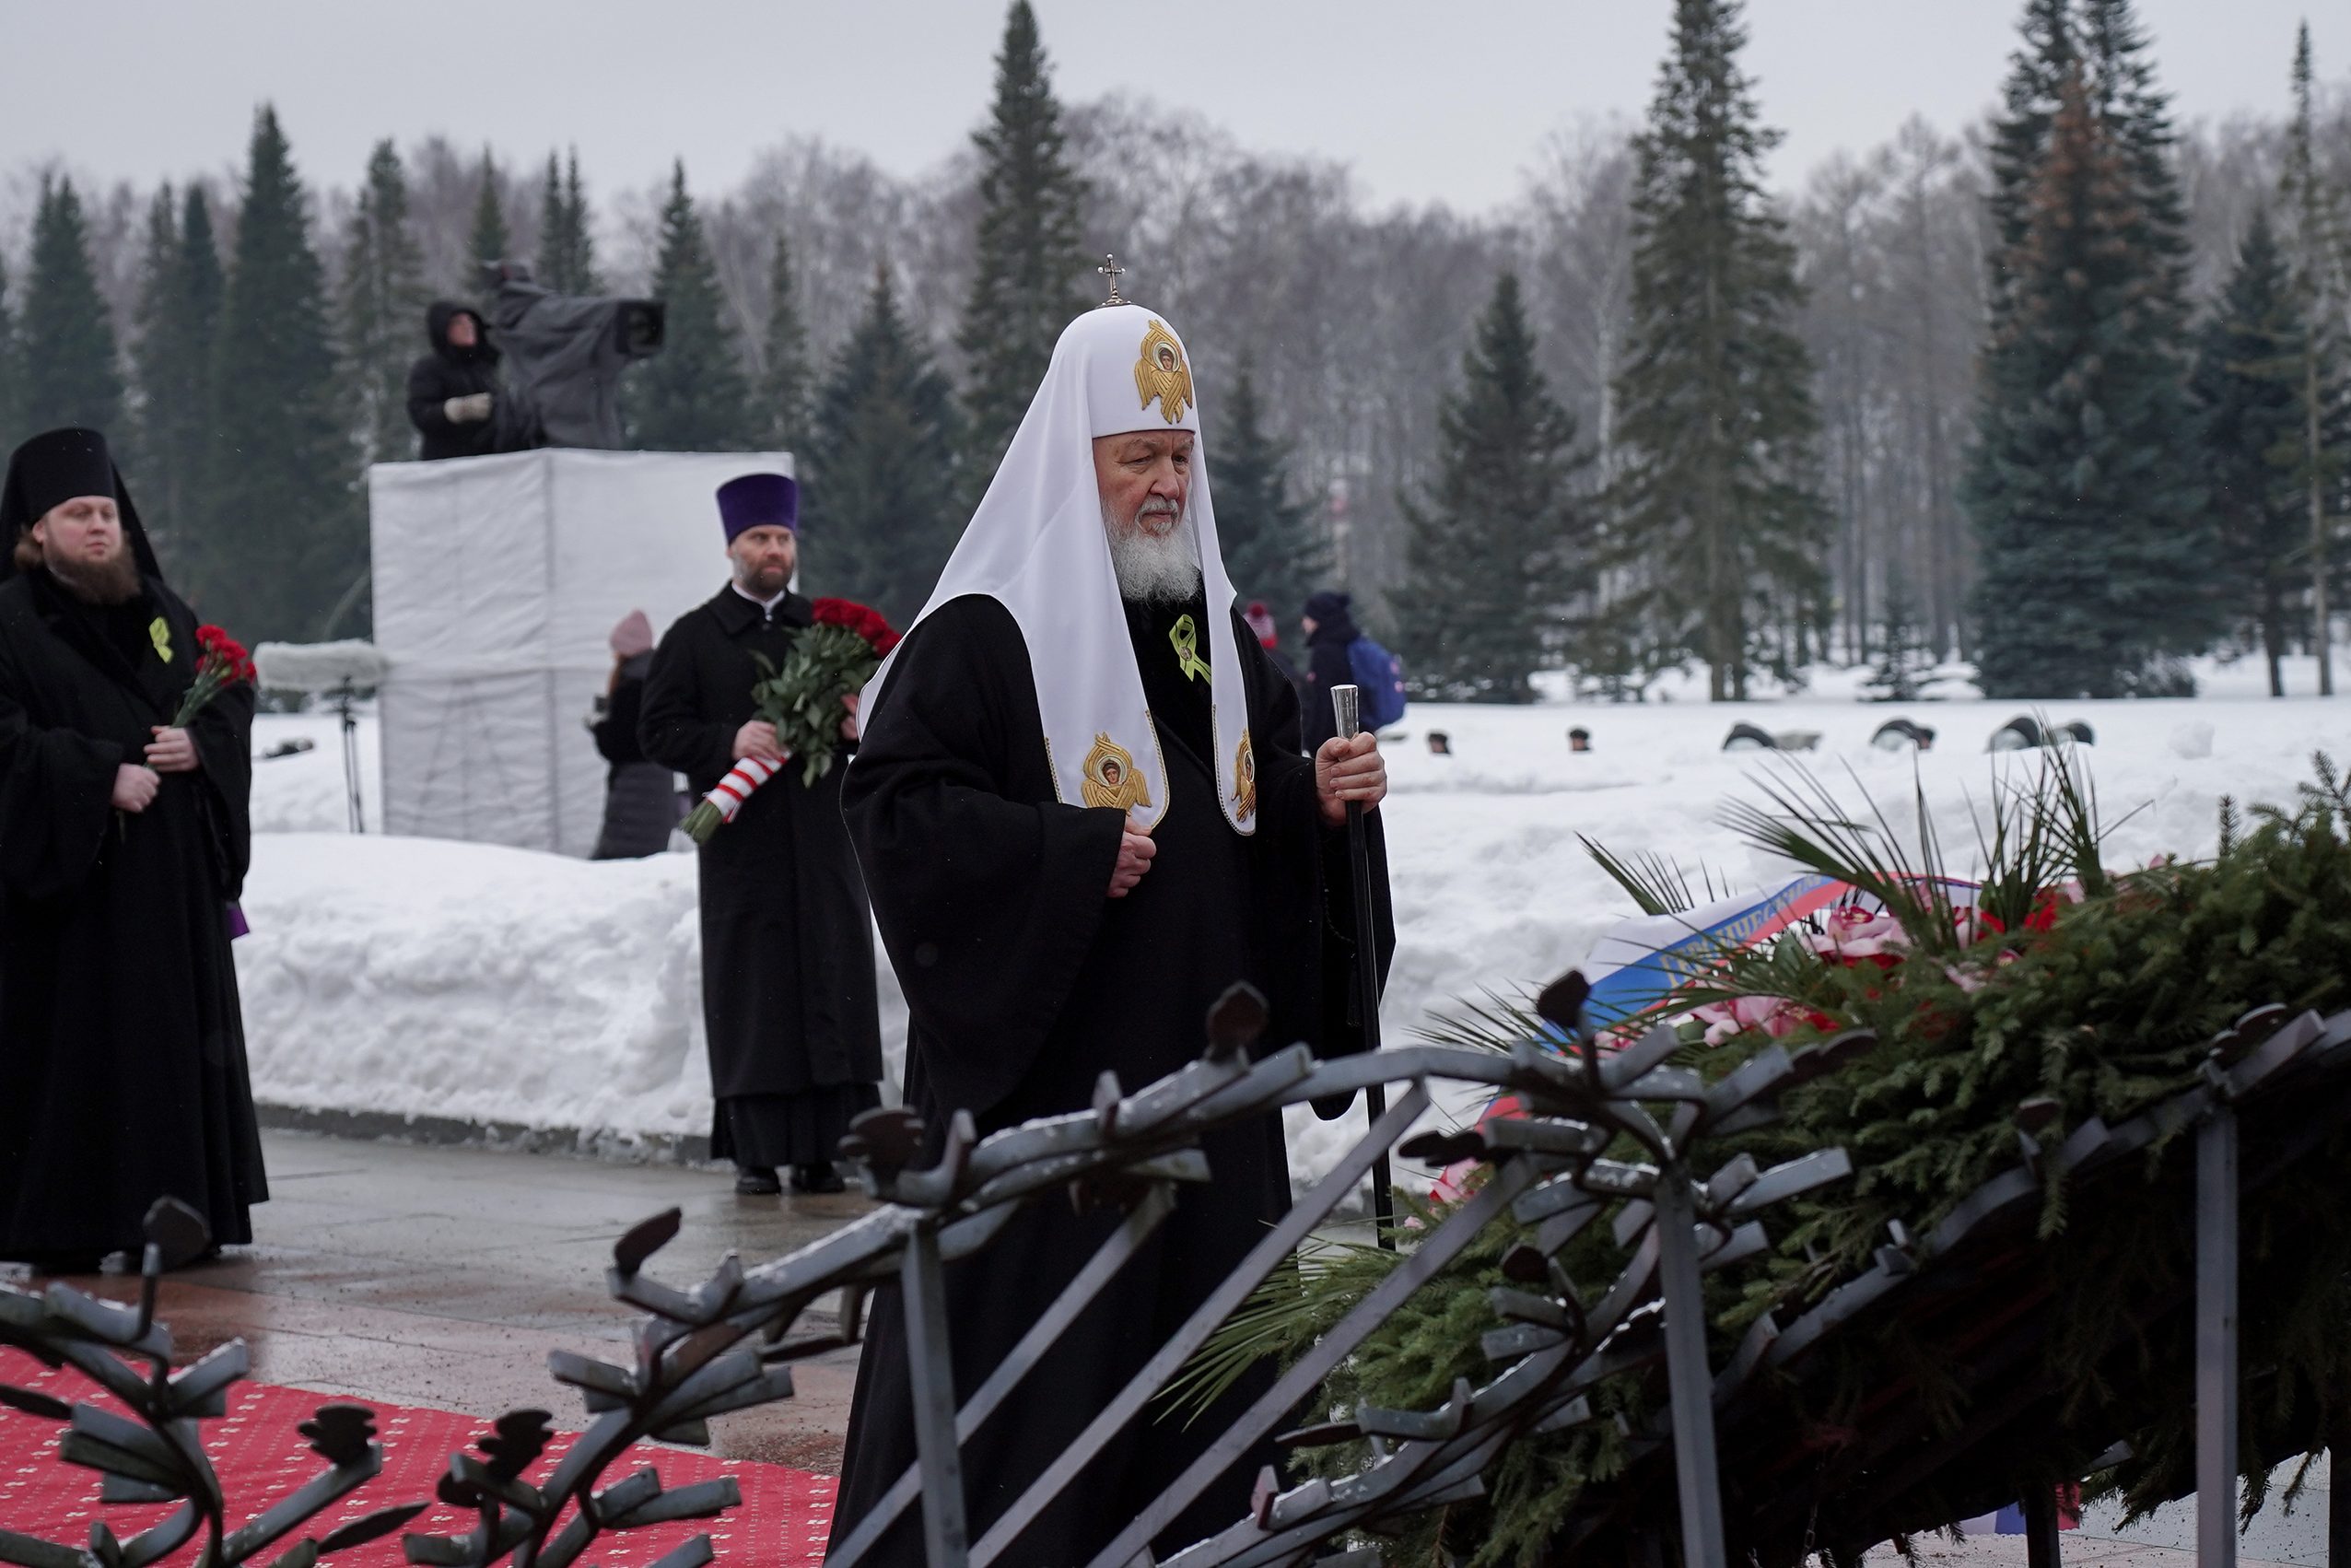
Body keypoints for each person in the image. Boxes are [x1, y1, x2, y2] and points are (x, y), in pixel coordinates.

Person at [831, 302, 1394, 1562]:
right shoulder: (983, 629)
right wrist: (1068, 851)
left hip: (1207, 1087)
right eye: (1137, 455)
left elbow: (1232, 814)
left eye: (1181, 458)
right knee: (1040, 1403)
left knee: (1211, 1397)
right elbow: (898, 812)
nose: (1165, 485)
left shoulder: (1223, 641)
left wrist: (1317, 799)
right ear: (1072, 454)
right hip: (1055, 1103)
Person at [0, 427, 266, 1270]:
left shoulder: (160, 610)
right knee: (82, 1051)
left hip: (168, 892)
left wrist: (204, 749)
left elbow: (225, 700)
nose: (97, 527)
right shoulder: (9, 620)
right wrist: (94, 774)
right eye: (77, 513)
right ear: (37, 530)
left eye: (107, 511)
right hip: (71, 898)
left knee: (169, 1048)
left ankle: (183, 1213)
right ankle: (74, 1223)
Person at [637, 474, 883, 1196]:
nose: (773, 550)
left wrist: (852, 727)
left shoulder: (826, 630)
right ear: (731, 548)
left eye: (782, 538)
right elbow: (655, 730)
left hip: (822, 839)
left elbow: (875, 720)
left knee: (832, 977)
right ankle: (755, 1152)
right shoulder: (693, 636)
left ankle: (827, 1149)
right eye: (758, 539)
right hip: (743, 850)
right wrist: (727, 739)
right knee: (755, 990)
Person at [588, 609, 678, 860]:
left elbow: (619, 745)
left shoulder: (633, 686)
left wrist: (598, 726)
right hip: (657, 786)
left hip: (635, 791)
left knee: (620, 864)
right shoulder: (659, 678)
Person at [406, 301, 502, 461]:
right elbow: (420, 413)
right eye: (458, 323)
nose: (468, 327)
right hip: (448, 464)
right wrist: (458, 410)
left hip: (489, 460)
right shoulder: (429, 369)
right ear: (442, 330)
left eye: (470, 321)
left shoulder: (485, 367)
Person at [1298, 587, 1364, 755]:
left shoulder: (1325, 651)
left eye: (1308, 617)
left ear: (1318, 618)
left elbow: (1324, 701)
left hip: (1333, 742)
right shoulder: (1345, 643)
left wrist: (1313, 741)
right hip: (1355, 734)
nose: (1304, 623)